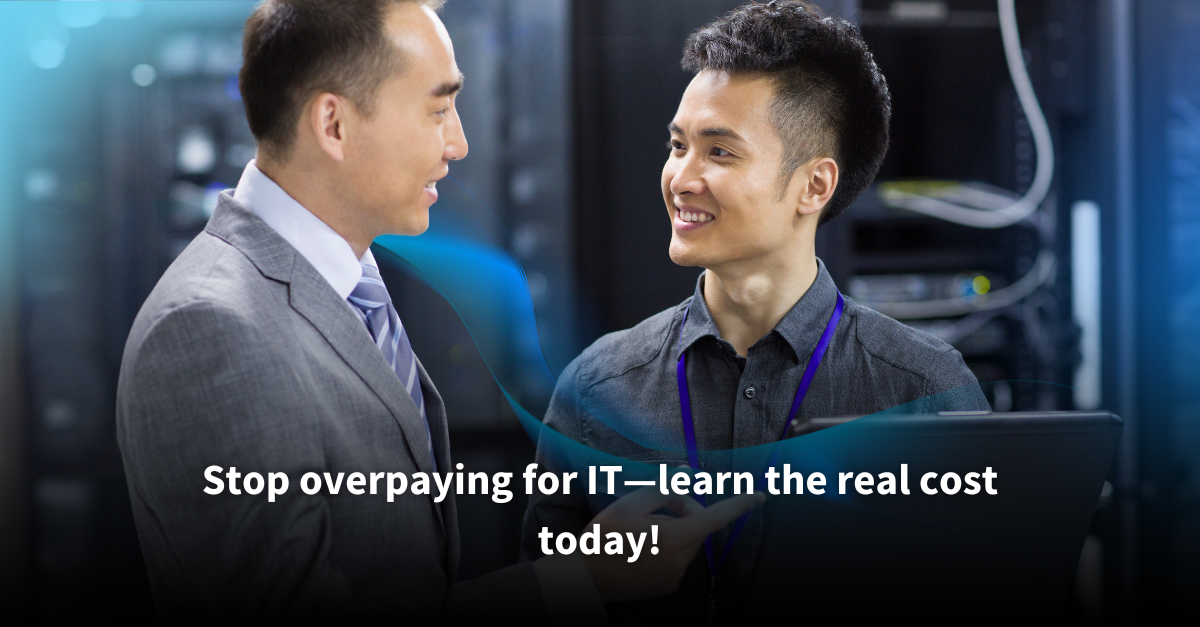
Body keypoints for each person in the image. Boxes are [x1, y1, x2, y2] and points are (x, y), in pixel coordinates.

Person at [115, 0, 762, 621]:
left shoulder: (345, 282)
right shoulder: (213, 325)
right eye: (439, 110)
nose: (458, 144)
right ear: (333, 124)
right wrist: (581, 582)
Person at [521, 1, 991, 621]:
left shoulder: (926, 391)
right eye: (678, 145)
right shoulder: (595, 390)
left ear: (814, 186)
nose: (680, 178)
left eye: (719, 152)